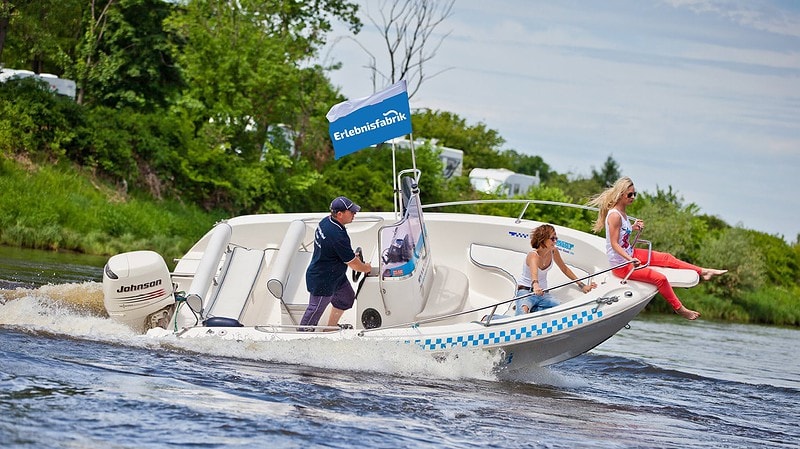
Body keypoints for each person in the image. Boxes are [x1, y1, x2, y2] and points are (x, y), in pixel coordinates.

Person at [588, 177, 726, 320]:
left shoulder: (622, 212)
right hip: (621, 265)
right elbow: (614, 244)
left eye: (635, 194)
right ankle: (680, 309)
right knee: (660, 279)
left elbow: (622, 232)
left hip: (630, 254)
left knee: (667, 258)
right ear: (621, 194)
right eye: (630, 195)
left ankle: (703, 271)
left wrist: (634, 227)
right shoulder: (615, 216)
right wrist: (630, 259)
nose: (633, 197)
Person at [300, 196, 372, 330]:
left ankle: (330, 329)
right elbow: (354, 265)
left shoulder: (326, 222)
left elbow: (334, 249)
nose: (354, 214)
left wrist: (351, 256)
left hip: (335, 275)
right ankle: (301, 336)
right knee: (314, 312)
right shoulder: (337, 235)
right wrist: (366, 268)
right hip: (323, 280)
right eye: (352, 212)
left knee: (346, 299)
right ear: (340, 214)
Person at [515, 224, 597, 315]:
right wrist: (536, 286)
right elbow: (534, 275)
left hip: (543, 293)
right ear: (543, 239)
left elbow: (564, 268)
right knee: (521, 315)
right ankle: (523, 305)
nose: (555, 241)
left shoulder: (553, 251)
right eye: (552, 238)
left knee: (562, 309)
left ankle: (531, 307)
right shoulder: (533, 255)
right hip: (526, 292)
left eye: (556, 238)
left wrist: (582, 285)